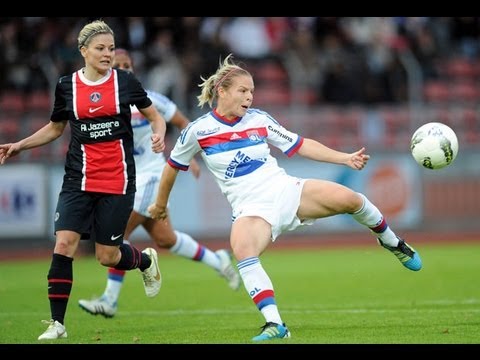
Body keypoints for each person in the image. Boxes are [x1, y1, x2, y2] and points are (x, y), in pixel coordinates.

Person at [147, 54, 423, 342]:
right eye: (243, 91)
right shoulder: (198, 131)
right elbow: (171, 168)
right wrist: (160, 204)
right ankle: (275, 325)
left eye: (252, 91)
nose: (249, 97)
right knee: (242, 250)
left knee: (352, 199)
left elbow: (301, 145)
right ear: (222, 91)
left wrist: (345, 159)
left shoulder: (259, 120)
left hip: (285, 190)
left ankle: (393, 242)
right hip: (250, 208)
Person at [0, 20, 167, 341]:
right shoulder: (67, 86)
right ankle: (57, 324)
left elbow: (155, 116)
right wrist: (20, 144)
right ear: (83, 51)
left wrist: (159, 135)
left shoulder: (125, 82)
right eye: (100, 49)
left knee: (108, 256)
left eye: (110, 48)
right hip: (78, 178)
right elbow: (55, 127)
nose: (107, 54)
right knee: (64, 244)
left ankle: (145, 261)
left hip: (118, 179)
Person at [78, 49, 241, 319]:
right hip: (125, 180)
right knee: (166, 238)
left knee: (116, 235)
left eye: (127, 64)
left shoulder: (150, 101)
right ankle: (218, 260)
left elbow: (183, 123)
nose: (123, 68)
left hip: (152, 175)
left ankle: (109, 299)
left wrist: (192, 157)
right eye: (117, 65)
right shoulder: (100, 107)